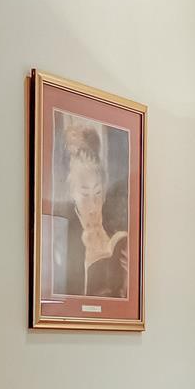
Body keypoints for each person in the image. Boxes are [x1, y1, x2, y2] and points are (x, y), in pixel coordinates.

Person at [56, 114, 128, 298]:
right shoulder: (62, 231)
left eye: (98, 193)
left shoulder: (117, 230)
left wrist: (130, 278)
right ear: (72, 193)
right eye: (85, 194)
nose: (93, 204)